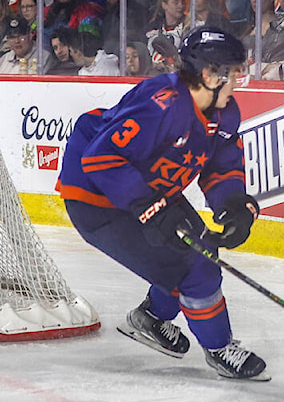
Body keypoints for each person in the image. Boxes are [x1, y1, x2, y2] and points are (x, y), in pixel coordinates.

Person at [57, 26, 268, 381]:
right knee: (196, 268)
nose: (237, 82)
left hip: (147, 190)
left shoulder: (224, 112)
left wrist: (232, 203)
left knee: (197, 249)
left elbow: (221, 163)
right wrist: (149, 207)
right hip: (98, 199)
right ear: (208, 74)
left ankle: (150, 318)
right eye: (232, 73)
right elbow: (101, 158)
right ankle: (219, 349)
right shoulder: (163, 103)